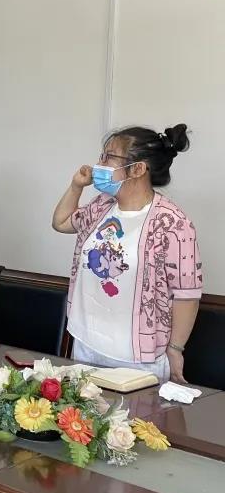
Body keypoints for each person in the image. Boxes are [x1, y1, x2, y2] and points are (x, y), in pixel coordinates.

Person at [52, 124, 201, 382]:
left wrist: (176, 348)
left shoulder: (172, 222)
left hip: (138, 357)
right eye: (102, 156)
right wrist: (77, 186)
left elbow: (186, 293)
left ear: (138, 169)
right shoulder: (102, 206)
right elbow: (61, 222)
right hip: (87, 341)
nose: (99, 165)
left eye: (109, 157)